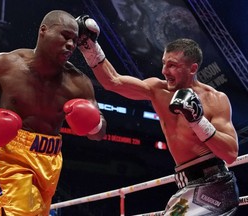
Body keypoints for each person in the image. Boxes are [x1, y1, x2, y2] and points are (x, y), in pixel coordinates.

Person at [75, 15, 239, 215]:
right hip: (186, 186)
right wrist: (89, 47)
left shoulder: (215, 99)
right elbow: (113, 82)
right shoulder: (157, 90)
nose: (164, 71)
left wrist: (198, 120)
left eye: (172, 65)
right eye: (164, 63)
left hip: (216, 185)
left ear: (193, 68)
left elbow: (230, 154)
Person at [0, 10, 107, 216]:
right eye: (65, 36)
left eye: (74, 41)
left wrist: (93, 123)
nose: (70, 45)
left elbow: (99, 132)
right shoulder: (6, 64)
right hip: (9, 154)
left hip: (51, 159)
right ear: (43, 31)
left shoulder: (78, 83)